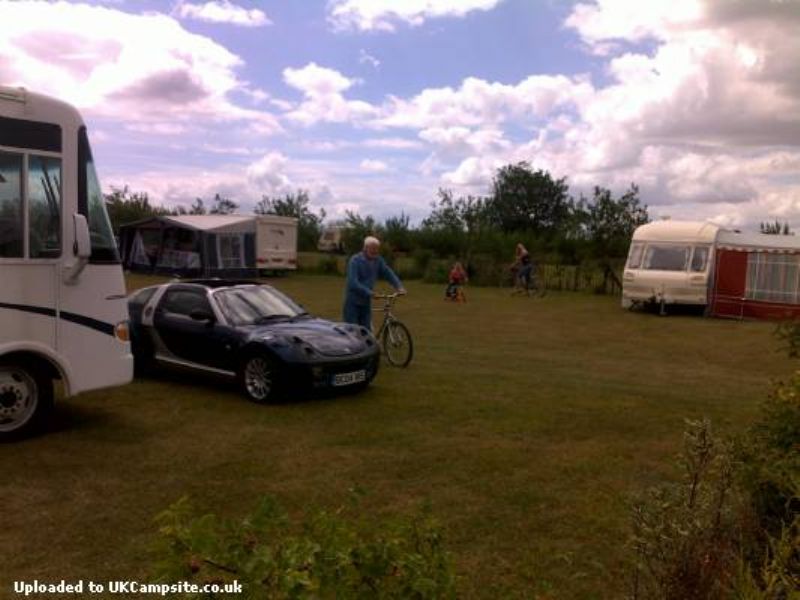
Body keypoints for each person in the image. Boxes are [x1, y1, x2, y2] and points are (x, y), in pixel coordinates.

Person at [343, 236, 406, 330]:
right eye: (373, 248)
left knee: (366, 332)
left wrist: (399, 286)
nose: (375, 251)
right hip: (353, 302)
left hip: (366, 302)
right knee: (352, 332)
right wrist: (369, 293)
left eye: (377, 249)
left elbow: (388, 272)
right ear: (365, 248)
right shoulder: (355, 260)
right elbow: (353, 283)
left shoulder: (378, 260)